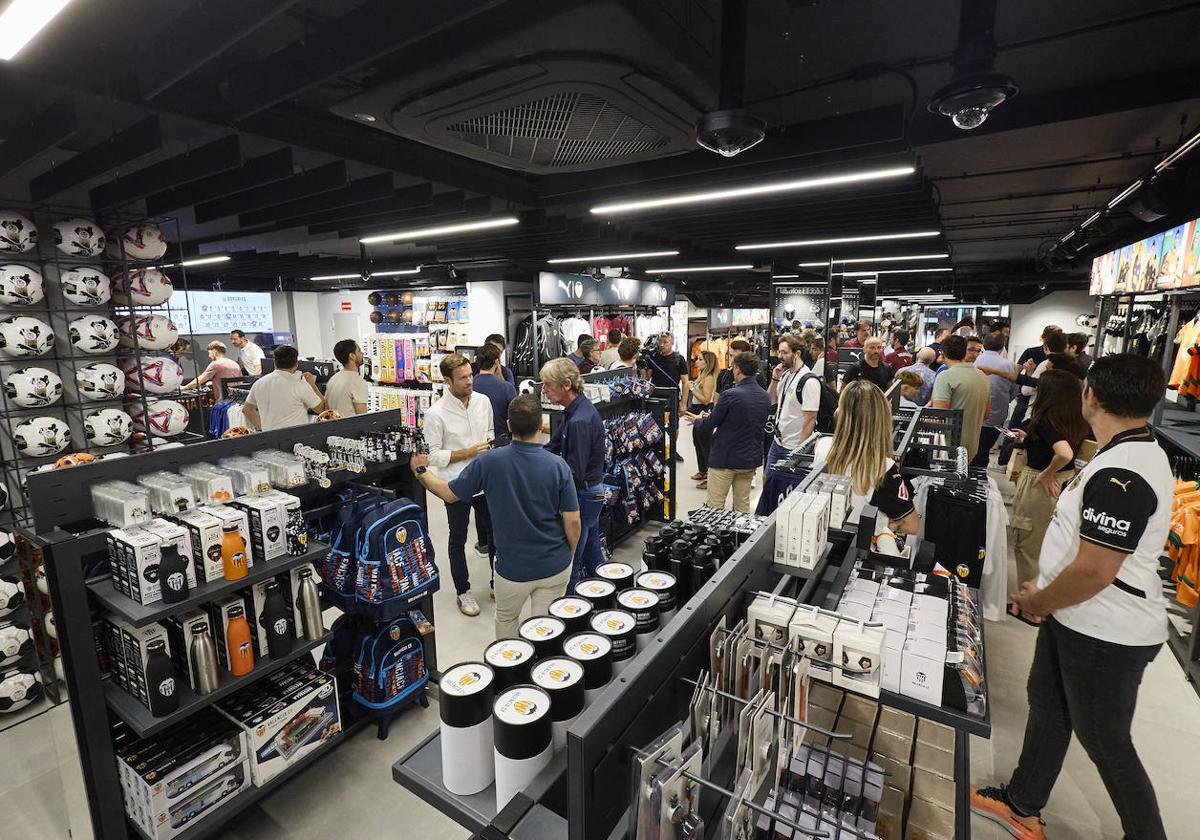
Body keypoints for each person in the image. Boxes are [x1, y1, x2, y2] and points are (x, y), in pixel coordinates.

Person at [972, 354, 1171, 840]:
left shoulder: (1124, 471)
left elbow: (1095, 569)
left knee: (1106, 742)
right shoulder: (1127, 450)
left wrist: (1040, 600)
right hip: (1080, 620)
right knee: (1049, 706)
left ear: (1093, 397)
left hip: (1107, 631)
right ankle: (1022, 804)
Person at [410, 394, 580, 639]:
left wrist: (420, 471)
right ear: (540, 425)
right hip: (553, 564)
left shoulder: (489, 462)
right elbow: (573, 521)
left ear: (509, 426)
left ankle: (510, 674)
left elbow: (449, 493)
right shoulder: (558, 466)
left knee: (506, 622)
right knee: (547, 630)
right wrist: (568, 554)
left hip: (512, 569)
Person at [422, 353, 494, 617]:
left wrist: (487, 447)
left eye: (470, 375)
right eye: (462, 378)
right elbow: (432, 456)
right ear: (448, 380)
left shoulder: (483, 402)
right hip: (456, 485)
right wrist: (466, 453)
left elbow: (490, 433)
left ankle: (497, 581)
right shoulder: (435, 413)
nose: (469, 381)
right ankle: (463, 591)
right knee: (458, 538)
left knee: (494, 533)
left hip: (486, 481)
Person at [1007, 369, 1090, 591]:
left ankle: (1029, 604)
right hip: (1066, 482)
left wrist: (1047, 472)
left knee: (1028, 543)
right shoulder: (1075, 419)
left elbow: (1064, 453)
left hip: (1040, 483)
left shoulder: (1045, 419)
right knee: (1049, 543)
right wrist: (1028, 439)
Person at [813, 380, 920, 532]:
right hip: (859, 549)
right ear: (882, 420)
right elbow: (912, 525)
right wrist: (887, 524)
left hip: (826, 540)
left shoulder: (822, 445)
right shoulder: (883, 467)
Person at [542, 357, 607, 590]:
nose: (544, 390)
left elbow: (574, 473)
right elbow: (554, 444)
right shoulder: (574, 410)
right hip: (591, 492)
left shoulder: (580, 420)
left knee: (573, 559)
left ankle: (569, 608)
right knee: (592, 552)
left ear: (566, 384)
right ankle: (601, 592)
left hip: (584, 494)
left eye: (548, 384)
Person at [690, 351, 771, 512]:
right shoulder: (765, 396)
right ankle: (740, 537)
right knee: (742, 506)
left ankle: (717, 537)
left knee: (715, 507)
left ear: (738, 370)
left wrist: (698, 420)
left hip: (725, 459)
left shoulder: (730, 395)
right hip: (749, 459)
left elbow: (711, 423)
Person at [766, 335, 823, 470]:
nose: (780, 356)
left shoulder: (809, 381)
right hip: (778, 441)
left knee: (785, 487)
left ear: (797, 354)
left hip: (793, 447)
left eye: (784, 352)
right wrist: (774, 379)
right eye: (779, 352)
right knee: (767, 479)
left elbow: (811, 418)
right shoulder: (785, 374)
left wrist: (799, 451)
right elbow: (771, 401)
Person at [931, 335, 990, 462]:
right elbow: (986, 414)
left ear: (943, 354)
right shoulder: (983, 376)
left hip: (947, 447)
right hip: (971, 445)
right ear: (964, 353)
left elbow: (939, 415)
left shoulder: (945, 376)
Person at [242, 345, 325, 431]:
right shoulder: (300, 385)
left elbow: (247, 410)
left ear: (274, 362)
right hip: (298, 438)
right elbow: (321, 409)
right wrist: (312, 385)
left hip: (270, 437)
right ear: (296, 364)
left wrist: (262, 429)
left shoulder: (259, 384)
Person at [639, 333, 689, 464]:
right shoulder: (653, 358)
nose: (662, 345)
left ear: (672, 343)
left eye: (665, 342)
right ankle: (659, 450)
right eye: (660, 342)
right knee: (657, 424)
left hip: (672, 397)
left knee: (674, 425)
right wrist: (642, 366)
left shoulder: (679, 359)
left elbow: (685, 382)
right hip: (656, 397)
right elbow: (646, 378)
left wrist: (684, 403)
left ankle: (672, 449)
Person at [973, 332, 1019, 468]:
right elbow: (1014, 391)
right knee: (984, 449)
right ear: (1002, 346)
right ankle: (980, 477)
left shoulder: (973, 362)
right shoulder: (1010, 366)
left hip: (972, 415)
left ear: (983, 345)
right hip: (996, 415)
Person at [472, 342, 517, 442]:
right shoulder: (507, 388)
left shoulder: (469, 386)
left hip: (473, 443)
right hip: (501, 442)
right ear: (497, 362)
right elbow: (515, 420)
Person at [689, 350, 719, 487]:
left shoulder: (709, 378)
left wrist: (691, 389)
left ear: (708, 363)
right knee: (697, 441)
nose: (697, 361)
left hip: (703, 410)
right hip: (697, 409)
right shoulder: (702, 375)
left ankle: (710, 476)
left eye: (700, 359)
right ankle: (702, 470)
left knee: (705, 443)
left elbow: (706, 400)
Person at [325, 339, 369, 416]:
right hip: (352, 427)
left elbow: (326, 409)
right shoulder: (357, 381)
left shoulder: (333, 379)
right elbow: (363, 417)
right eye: (359, 351)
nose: (362, 353)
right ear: (352, 356)